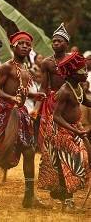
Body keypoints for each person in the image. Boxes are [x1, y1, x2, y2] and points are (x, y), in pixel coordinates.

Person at [0, 31, 47, 208]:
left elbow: (20, 92)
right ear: (13, 46)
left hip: (20, 113)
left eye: (28, 45)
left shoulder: (25, 69)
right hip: (6, 112)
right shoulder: (7, 66)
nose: (25, 47)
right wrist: (11, 98)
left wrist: (33, 95)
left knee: (29, 152)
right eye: (21, 43)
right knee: (3, 152)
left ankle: (29, 197)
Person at [48, 52, 90, 212]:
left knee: (84, 161)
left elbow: (86, 102)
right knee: (70, 166)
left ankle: (63, 193)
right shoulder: (65, 91)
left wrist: (77, 130)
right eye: (82, 70)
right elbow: (56, 117)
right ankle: (68, 201)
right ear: (72, 74)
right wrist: (74, 130)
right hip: (63, 132)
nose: (85, 72)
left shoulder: (78, 87)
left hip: (76, 129)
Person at [32, 23, 71, 190]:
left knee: (67, 140)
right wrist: (37, 106)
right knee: (49, 144)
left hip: (69, 103)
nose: (56, 43)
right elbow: (43, 87)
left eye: (59, 41)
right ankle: (52, 180)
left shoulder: (72, 60)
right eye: (54, 41)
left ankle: (69, 177)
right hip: (51, 103)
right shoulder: (47, 63)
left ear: (66, 44)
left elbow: (79, 84)